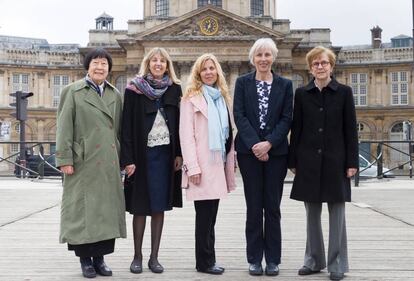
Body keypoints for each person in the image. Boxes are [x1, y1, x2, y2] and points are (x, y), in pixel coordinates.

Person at [288, 46, 358, 281]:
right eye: (316, 63)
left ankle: (337, 263)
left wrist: (351, 161)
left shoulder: (345, 92)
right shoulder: (301, 93)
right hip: (308, 159)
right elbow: (296, 129)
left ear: (331, 66)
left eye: (324, 63)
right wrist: (293, 159)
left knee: (337, 213)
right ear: (310, 68)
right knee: (312, 214)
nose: (320, 67)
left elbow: (351, 130)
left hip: (336, 160)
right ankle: (313, 260)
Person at [56, 48, 126, 278]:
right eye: (95, 63)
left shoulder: (115, 94)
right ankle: (85, 260)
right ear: (88, 66)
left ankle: (100, 259)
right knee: (84, 212)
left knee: (104, 212)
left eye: (104, 64)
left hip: (107, 162)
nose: (99, 67)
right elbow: (64, 127)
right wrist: (64, 159)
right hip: (82, 161)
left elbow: (118, 131)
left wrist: (124, 160)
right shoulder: (73, 91)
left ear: (109, 68)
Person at [233, 38, 293, 276]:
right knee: (254, 207)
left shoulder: (285, 85)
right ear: (253, 59)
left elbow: (287, 118)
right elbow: (239, 115)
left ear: (274, 57)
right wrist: (256, 145)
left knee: (273, 207)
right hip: (249, 153)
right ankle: (255, 258)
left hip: (276, 153)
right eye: (259, 55)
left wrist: (269, 143)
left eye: (267, 55)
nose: (263, 59)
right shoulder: (242, 82)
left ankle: (274, 259)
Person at [120, 47, 183, 274]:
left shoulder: (174, 89)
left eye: (162, 61)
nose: (158, 64)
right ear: (147, 63)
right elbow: (125, 127)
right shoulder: (134, 90)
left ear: (167, 66)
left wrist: (179, 154)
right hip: (140, 156)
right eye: (154, 60)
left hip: (165, 157)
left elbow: (179, 125)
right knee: (140, 207)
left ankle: (154, 258)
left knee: (159, 207)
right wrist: (127, 160)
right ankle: (137, 256)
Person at [180, 53, 236, 275]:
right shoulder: (190, 99)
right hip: (201, 167)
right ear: (198, 74)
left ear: (217, 72)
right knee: (204, 218)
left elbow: (228, 135)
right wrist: (192, 167)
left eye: (212, 68)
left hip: (218, 165)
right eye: (204, 69)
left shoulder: (222, 99)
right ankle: (204, 262)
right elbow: (187, 136)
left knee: (211, 217)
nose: (209, 72)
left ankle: (208, 259)